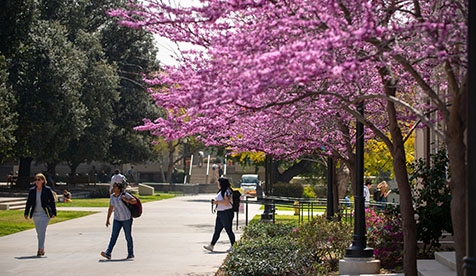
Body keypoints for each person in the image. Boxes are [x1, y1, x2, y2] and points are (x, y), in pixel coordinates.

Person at [101, 181, 136, 260]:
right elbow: (110, 208)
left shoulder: (124, 195)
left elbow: (134, 201)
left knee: (128, 236)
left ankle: (130, 253)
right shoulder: (112, 197)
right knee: (113, 236)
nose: (113, 188)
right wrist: (107, 219)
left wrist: (126, 200)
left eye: (115, 187)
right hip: (117, 219)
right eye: (113, 187)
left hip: (126, 218)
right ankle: (108, 252)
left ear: (119, 188)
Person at [24, 173, 57, 256]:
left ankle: (40, 249)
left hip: (44, 214)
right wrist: (26, 213)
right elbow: (29, 203)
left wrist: (53, 212)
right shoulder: (32, 190)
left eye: (39, 180)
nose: (37, 181)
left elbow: (52, 202)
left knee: (42, 231)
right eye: (36, 180)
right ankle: (41, 248)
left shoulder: (47, 190)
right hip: (35, 214)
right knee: (39, 232)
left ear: (43, 181)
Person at [203, 177, 235, 253]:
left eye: (218, 183)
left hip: (226, 213)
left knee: (228, 230)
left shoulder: (226, 191)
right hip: (220, 212)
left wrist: (217, 202)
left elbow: (226, 202)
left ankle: (234, 246)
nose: (217, 184)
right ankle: (211, 245)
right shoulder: (221, 191)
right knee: (217, 230)